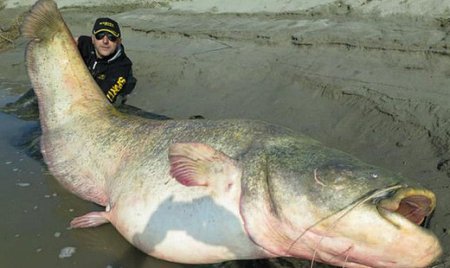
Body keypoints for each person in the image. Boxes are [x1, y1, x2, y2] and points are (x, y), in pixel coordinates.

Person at [76, 17, 137, 105]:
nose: (105, 41)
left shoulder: (122, 67)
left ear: (119, 41)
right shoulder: (84, 43)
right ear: (93, 39)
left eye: (111, 37)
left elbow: (103, 102)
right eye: (100, 35)